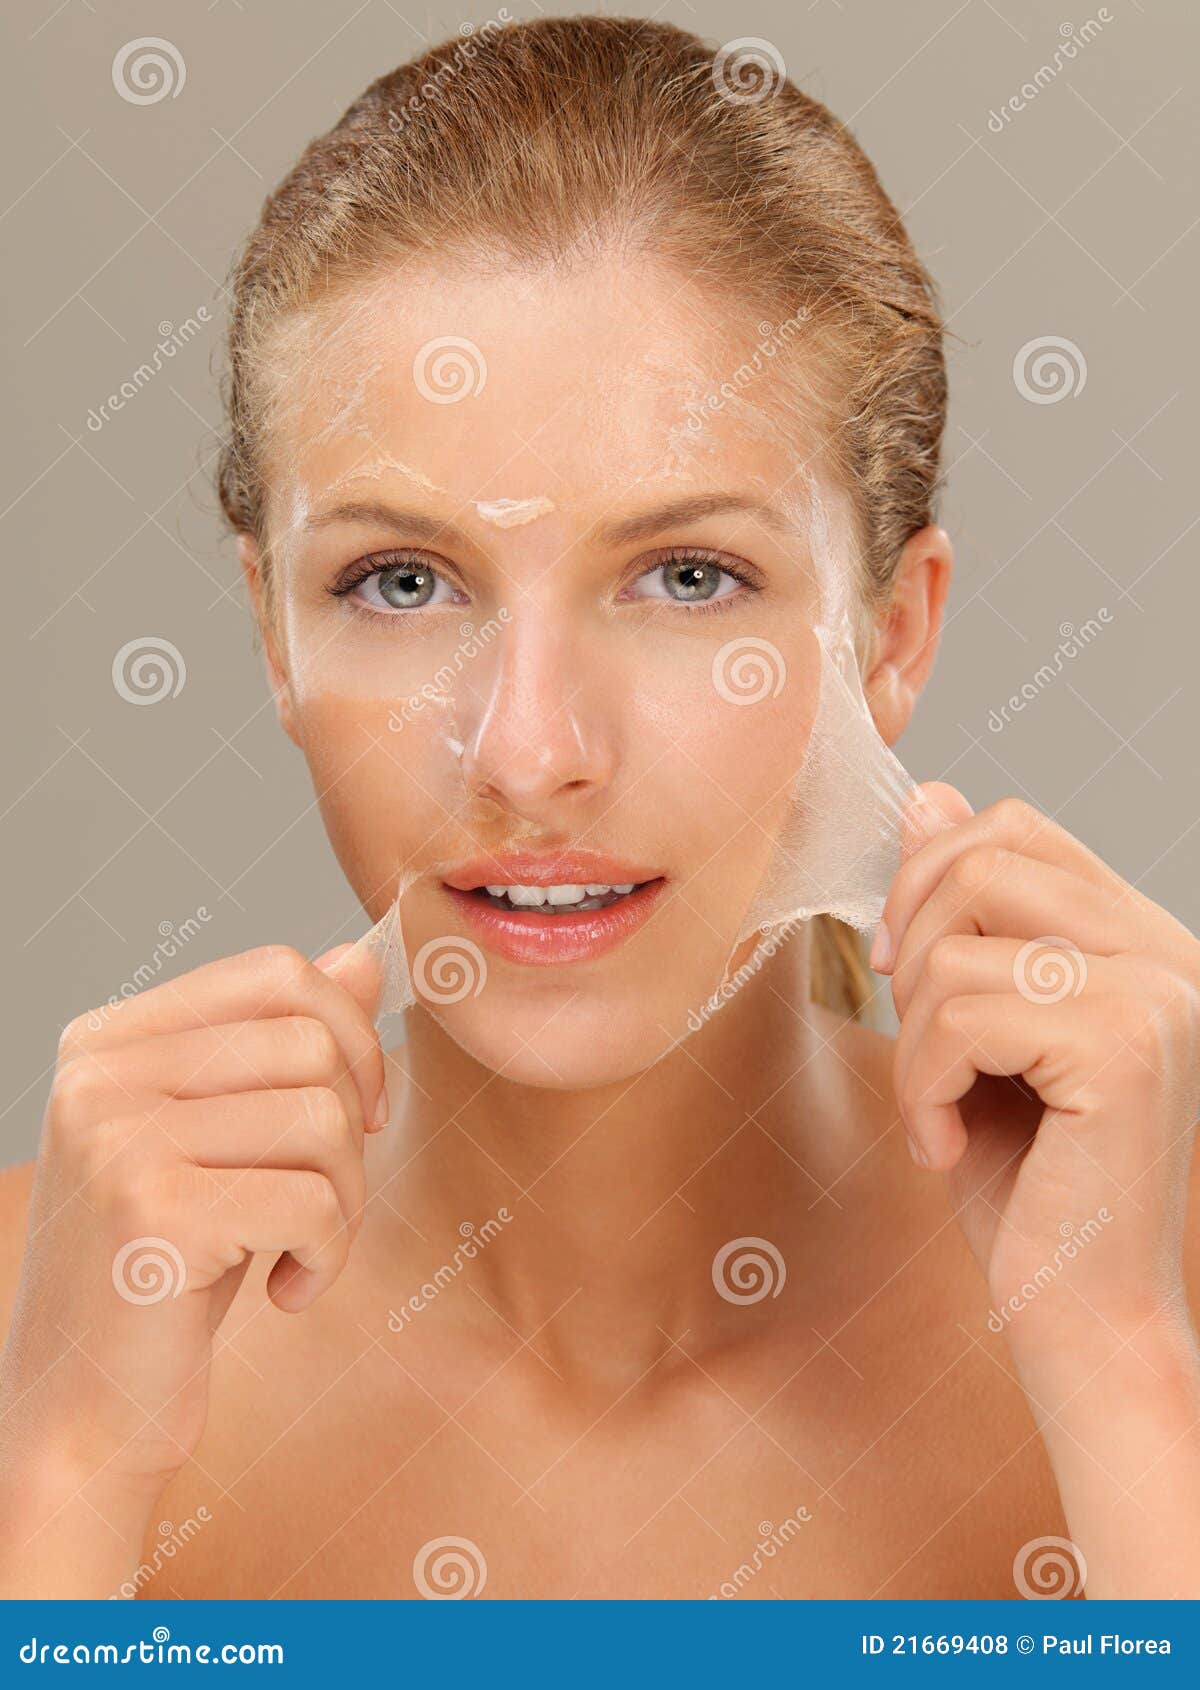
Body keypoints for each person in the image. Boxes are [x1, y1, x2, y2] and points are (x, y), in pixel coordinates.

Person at [1, 16, 1197, 1601]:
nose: (531, 747)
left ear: (892, 631)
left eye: (688, 576)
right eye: (403, 580)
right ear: (272, 631)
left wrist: (1126, 1381)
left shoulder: (1156, 1283)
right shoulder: (48, 1318)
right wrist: (67, 1473)